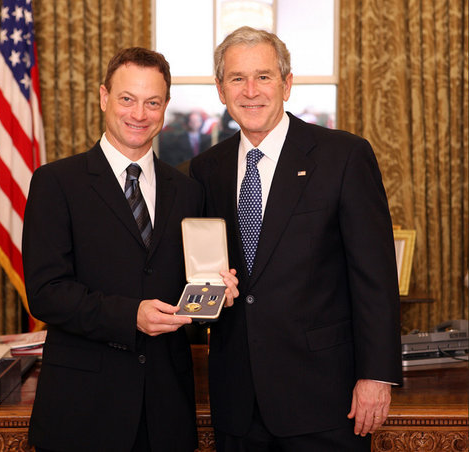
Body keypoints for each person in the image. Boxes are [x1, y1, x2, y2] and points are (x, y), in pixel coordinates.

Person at [190, 26, 402, 451]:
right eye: (237, 78)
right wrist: (203, 299)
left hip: (324, 399)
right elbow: (203, 275)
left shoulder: (343, 156)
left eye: (264, 76)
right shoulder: (204, 170)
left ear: (286, 84)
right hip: (237, 402)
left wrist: (376, 376)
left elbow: (374, 277)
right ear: (219, 89)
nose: (251, 91)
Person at [22, 47, 238, 452]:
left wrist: (214, 295)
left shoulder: (189, 191)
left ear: (165, 107)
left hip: (166, 413)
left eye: (152, 102)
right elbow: (46, 293)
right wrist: (130, 316)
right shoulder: (56, 183)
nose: (139, 114)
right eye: (127, 99)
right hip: (83, 412)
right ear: (104, 97)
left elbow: (188, 292)